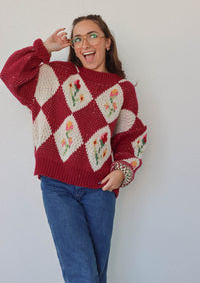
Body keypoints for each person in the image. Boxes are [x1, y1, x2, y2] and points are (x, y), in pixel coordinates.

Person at [0, 14, 147, 283]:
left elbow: (131, 138)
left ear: (107, 42)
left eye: (92, 35)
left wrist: (122, 171)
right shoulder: (56, 75)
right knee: (83, 274)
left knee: (97, 275)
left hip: (100, 190)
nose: (85, 44)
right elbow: (11, 74)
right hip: (57, 187)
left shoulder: (122, 89)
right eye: (77, 39)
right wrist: (44, 48)